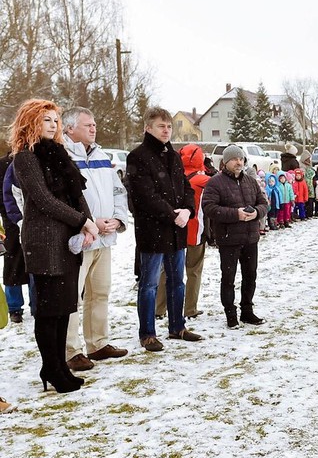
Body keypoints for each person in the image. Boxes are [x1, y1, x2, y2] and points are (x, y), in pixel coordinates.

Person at [9, 99, 99, 392]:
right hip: (43, 241)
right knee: (49, 311)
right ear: (30, 123)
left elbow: (77, 192)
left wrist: (87, 220)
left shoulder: (60, 154)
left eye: (55, 120)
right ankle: (51, 368)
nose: (52, 125)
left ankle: (59, 366)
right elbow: (44, 200)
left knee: (64, 308)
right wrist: (82, 222)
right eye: (45, 119)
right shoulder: (25, 158)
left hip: (66, 240)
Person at [126, 107, 201, 352]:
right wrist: (172, 215)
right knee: (149, 284)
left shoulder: (174, 156)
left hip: (177, 230)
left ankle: (177, 326)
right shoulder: (138, 156)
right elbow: (146, 196)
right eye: (161, 126)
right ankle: (147, 333)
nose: (166, 130)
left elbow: (186, 188)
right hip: (153, 230)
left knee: (177, 281)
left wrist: (188, 211)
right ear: (148, 128)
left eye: (169, 126)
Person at [62, 107, 130, 371]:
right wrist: (86, 223)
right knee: (73, 298)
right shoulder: (63, 157)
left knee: (99, 293)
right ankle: (71, 350)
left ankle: (98, 343)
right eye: (87, 125)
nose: (93, 129)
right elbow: (62, 200)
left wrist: (118, 220)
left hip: (105, 239)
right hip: (79, 240)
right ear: (69, 129)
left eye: (94, 124)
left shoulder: (102, 156)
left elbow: (118, 192)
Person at [202, 145, 269, 328]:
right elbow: (209, 207)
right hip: (228, 238)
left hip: (250, 238)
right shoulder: (215, 182)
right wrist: (235, 214)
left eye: (241, 159)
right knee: (228, 278)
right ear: (225, 162)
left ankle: (247, 311)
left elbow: (264, 203)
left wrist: (256, 212)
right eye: (235, 159)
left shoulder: (250, 181)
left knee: (250, 276)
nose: (239, 162)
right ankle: (230, 313)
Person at [156, 144, 209, 322]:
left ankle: (159, 307)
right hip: (195, 230)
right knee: (194, 270)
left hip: (175, 229)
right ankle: (190, 308)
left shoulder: (173, 176)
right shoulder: (203, 180)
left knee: (166, 270)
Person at [0, 152, 30, 324]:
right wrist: (11, 216)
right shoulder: (3, 165)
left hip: (34, 222)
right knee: (12, 265)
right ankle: (14, 308)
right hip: (11, 224)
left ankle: (37, 303)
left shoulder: (33, 160)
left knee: (35, 264)